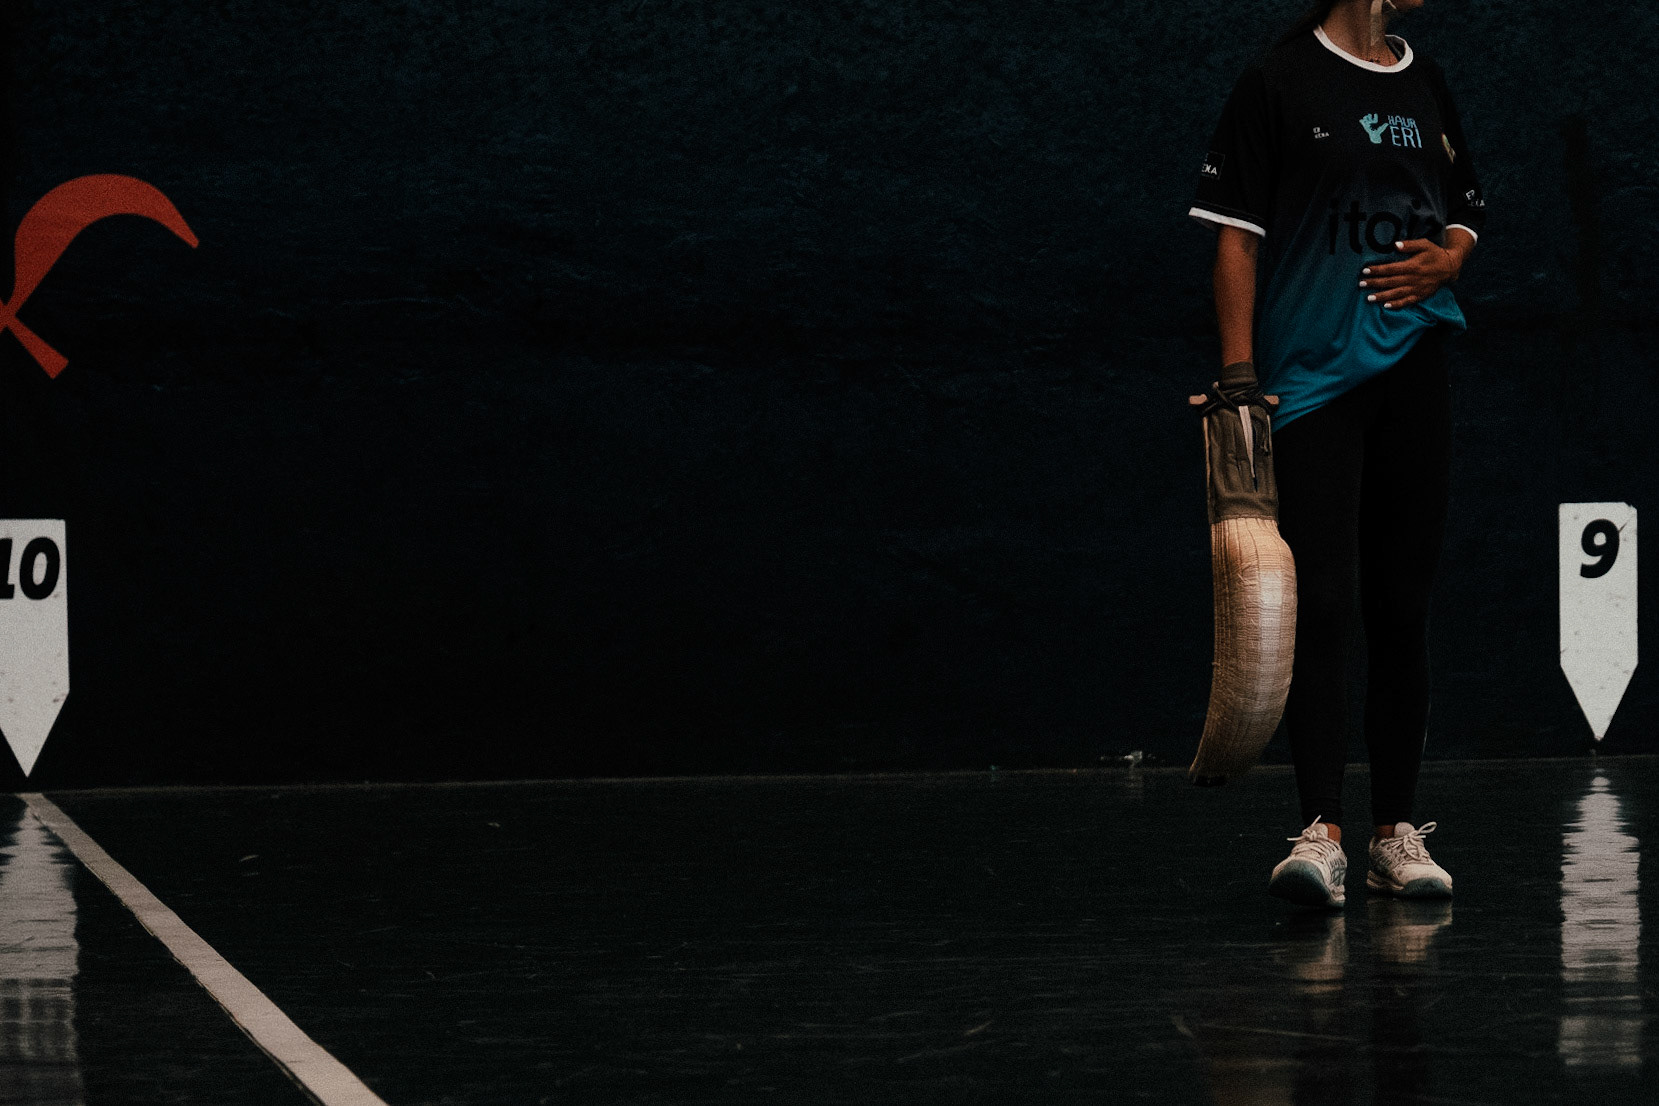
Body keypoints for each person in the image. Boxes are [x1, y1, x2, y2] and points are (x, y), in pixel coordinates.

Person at [1187, 0, 1486, 907]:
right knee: (1322, 602)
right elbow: (1235, 235)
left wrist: (1451, 260)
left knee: (1403, 602)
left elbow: (1464, 203)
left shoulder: (1425, 77)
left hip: (1413, 370)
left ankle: (1395, 833)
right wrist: (1239, 376)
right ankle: (1320, 833)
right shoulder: (1277, 80)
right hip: (1310, 381)